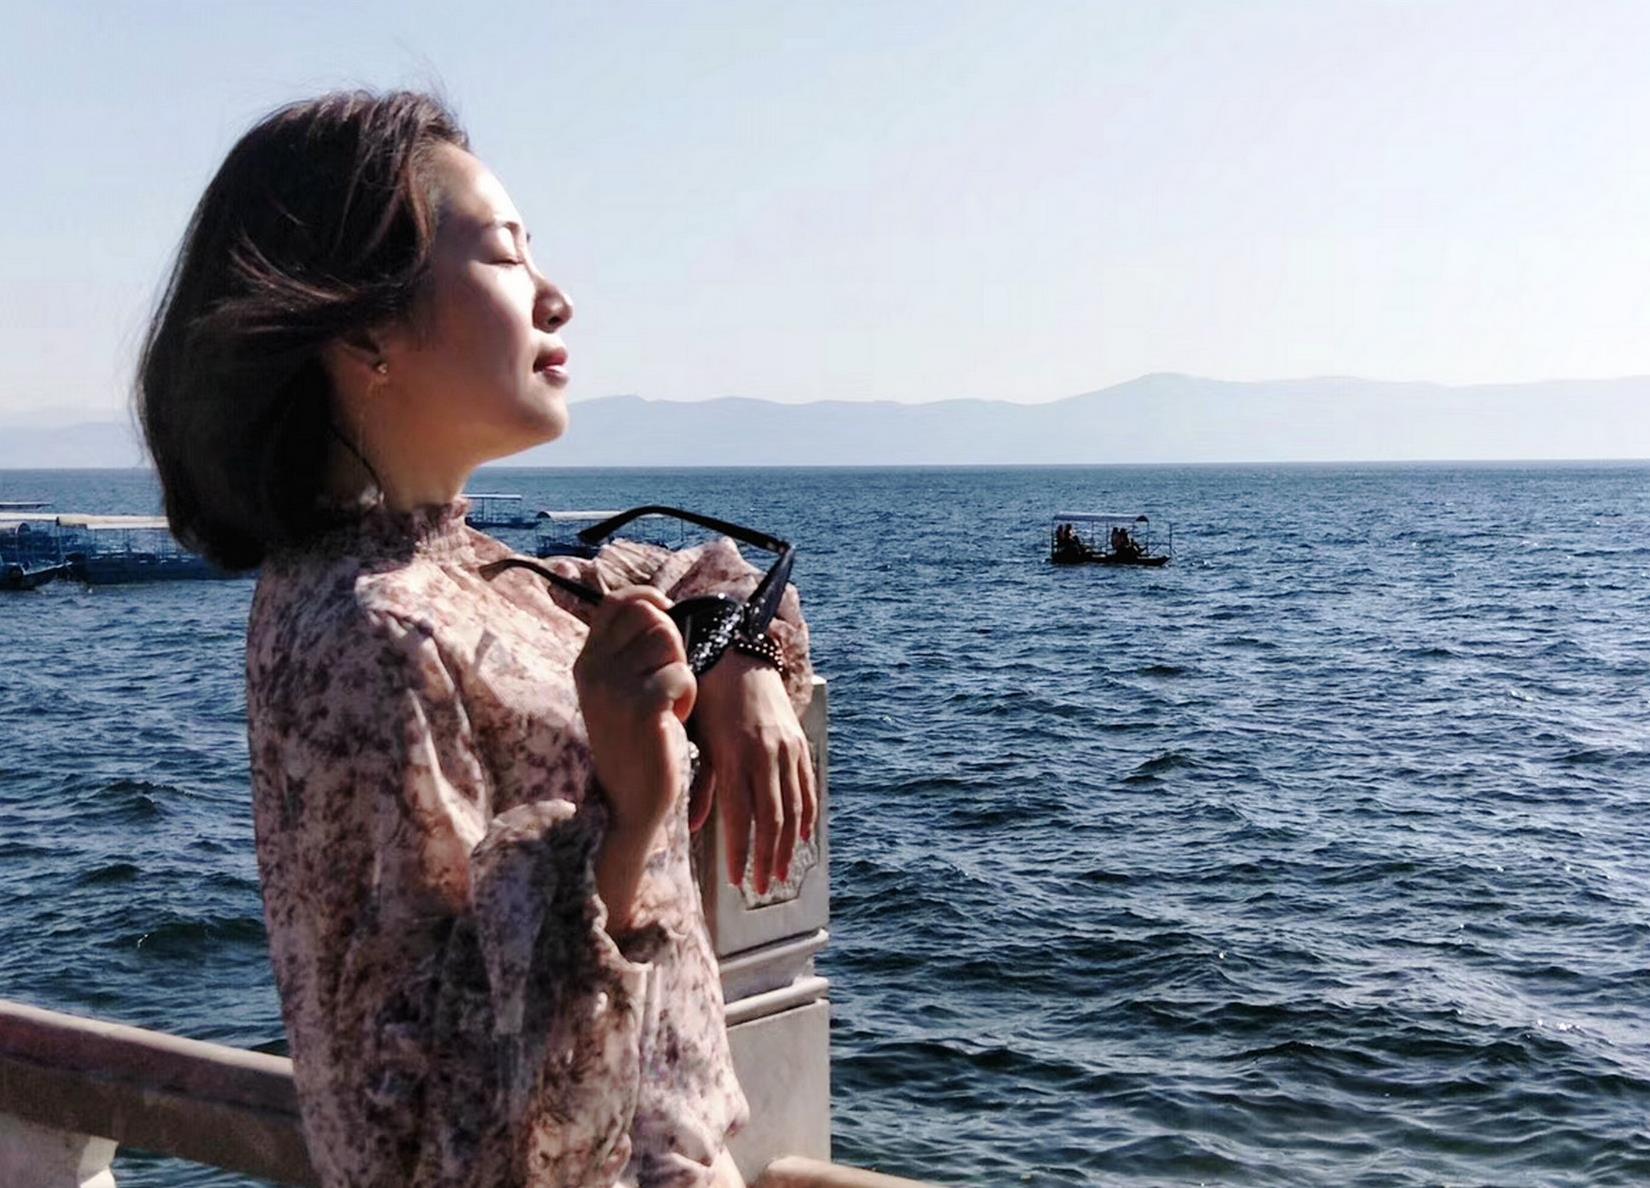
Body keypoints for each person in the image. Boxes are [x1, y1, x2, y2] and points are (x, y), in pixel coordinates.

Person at [135, 91, 815, 1188]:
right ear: (366, 329)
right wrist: (626, 817)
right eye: (504, 256)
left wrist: (745, 663)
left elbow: (709, 571)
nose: (556, 297)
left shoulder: (474, 573)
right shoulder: (366, 636)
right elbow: (427, 1135)